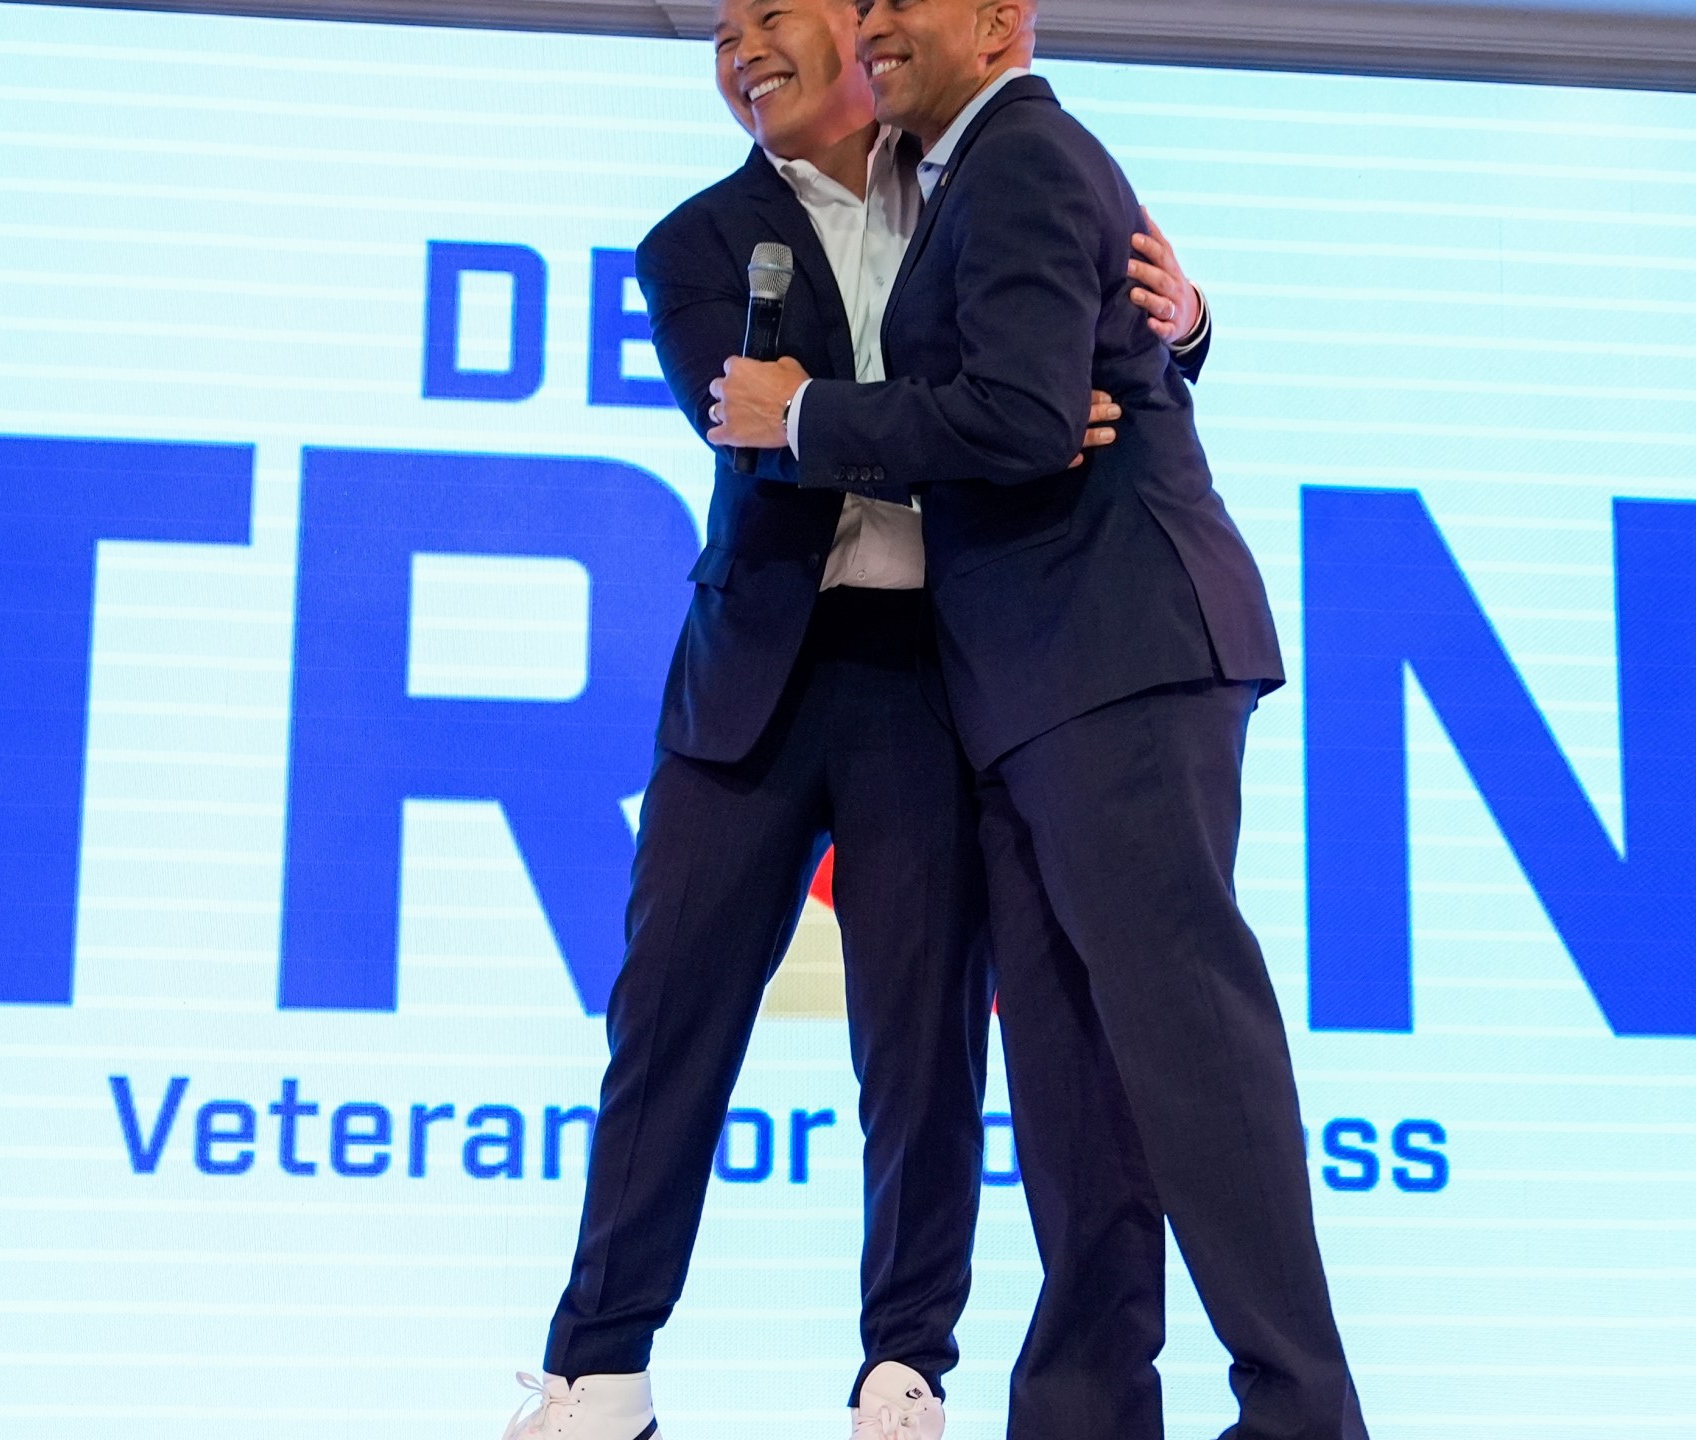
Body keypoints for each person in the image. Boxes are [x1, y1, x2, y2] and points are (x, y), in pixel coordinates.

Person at [503, 1, 1212, 1436]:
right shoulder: (696, 241)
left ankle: (905, 1371)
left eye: (775, 12)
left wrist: (1187, 327)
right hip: (753, 679)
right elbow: (760, 440)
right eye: (720, 29)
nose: (742, 45)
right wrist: (997, 421)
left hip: (926, 669)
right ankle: (599, 1369)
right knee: (668, 1020)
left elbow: (1084, 320)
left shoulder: (975, 167)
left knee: (922, 1033)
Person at [706, 1, 1370, 1437]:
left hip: (1115, 653)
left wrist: (807, 417)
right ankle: (1081, 1404)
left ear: (1003, 21)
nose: (874, 24)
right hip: (1026, 689)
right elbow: (1032, 397)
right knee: (1071, 1072)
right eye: (862, 2)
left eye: (902, 1)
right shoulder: (972, 176)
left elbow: (1017, 416)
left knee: (1188, 1042)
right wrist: (1145, 347)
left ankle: (1301, 1410)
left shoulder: (1020, 158)